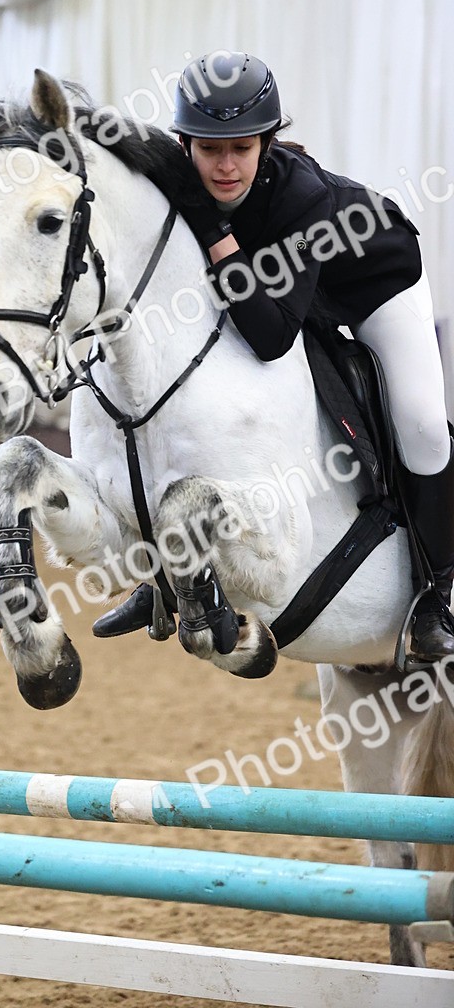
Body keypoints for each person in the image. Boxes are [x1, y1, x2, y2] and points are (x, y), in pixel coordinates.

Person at [94, 51, 454, 663]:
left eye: (242, 148)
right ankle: (162, 581)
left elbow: (270, 337)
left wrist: (214, 232)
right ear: (184, 144)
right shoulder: (175, 176)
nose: (226, 166)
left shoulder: (301, 195)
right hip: (282, 293)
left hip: (373, 285)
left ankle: (438, 596)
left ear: (267, 141)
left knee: (422, 426)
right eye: (210, 150)